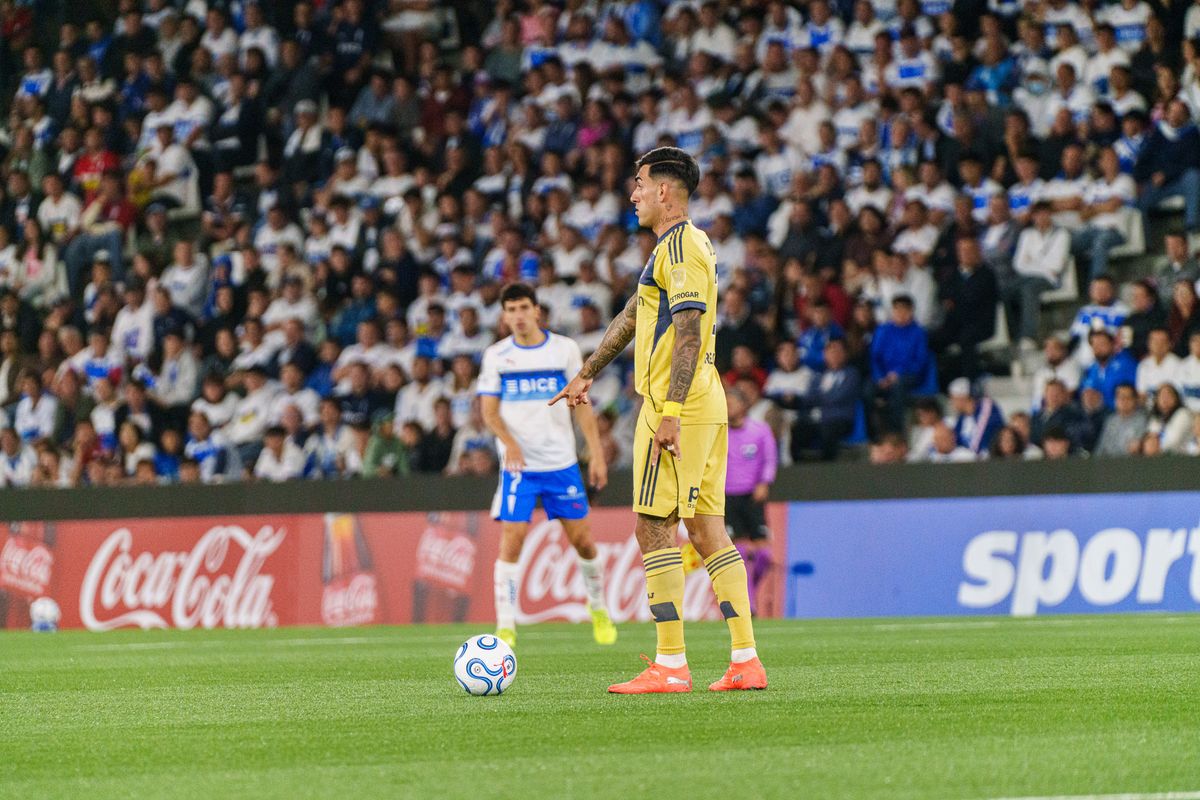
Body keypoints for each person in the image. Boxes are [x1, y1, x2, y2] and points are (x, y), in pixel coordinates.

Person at [553, 147, 765, 693]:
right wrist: (589, 371)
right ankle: (745, 659)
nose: (634, 194)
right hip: (700, 402)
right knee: (707, 529)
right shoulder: (670, 250)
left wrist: (668, 412)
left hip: (681, 405)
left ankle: (670, 664)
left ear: (664, 191)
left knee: (653, 526)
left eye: (640, 184)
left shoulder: (683, 248)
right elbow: (631, 315)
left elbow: (689, 332)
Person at [477, 282, 616, 650]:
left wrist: (597, 454)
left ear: (537, 310)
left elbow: (582, 403)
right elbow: (488, 412)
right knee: (513, 539)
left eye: (524, 307)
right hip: (518, 467)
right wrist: (509, 444)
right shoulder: (496, 356)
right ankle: (505, 626)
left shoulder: (564, 350)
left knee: (583, 541)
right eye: (511, 310)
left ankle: (599, 608)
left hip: (561, 463)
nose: (518, 316)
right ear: (503, 316)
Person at [722, 385, 777, 615]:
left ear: (744, 406)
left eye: (731, 402)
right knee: (740, 553)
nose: (727, 407)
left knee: (764, 555)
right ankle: (749, 605)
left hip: (753, 496)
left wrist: (764, 482)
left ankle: (749, 590)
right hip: (727, 496)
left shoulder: (760, 430)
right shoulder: (718, 433)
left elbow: (770, 458)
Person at [1008, 200, 1071, 350]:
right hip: (1028, 277)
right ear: (1033, 217)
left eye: (1045, 214)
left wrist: (1032, 262)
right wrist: (1042, 265)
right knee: (1006, 290)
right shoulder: (1026, 234)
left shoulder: (1062, 234)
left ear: (1050, 215)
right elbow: (1018, 264)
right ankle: (1013, 336)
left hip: (1050, 279)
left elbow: (1056, 265)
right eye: (1038, 214)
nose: (1041, 218)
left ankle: (1028, 336)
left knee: (1029, 289)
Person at [870, 295, 932, 433]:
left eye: (904, 310)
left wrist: (897, 374)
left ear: (911, 311)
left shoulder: (918, 333)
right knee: (867, 389)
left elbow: (920, 361)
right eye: (897, 310)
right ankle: (873, 434)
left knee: (897, 388)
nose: (900, 314)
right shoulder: (883, 330)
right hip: (884, 376)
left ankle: (895, 433)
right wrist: (880, 376)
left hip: (908, 375)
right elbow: (875, 357)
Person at [947, 377, 1005, 455]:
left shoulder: (986, 406)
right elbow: (955, 440)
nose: (951, 403)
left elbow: (980, 439)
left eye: (953, 398)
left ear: (962, 397)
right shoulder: (962, 418)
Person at [1095, 383, 1149, 457]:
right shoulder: (1110, 421)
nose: (1123, 401)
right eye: (1120, 397)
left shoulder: (1142, 420)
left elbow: (1135, 449)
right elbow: (1101, 448)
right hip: (1107, 464)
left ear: (1135, 400)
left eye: (1127, 397)